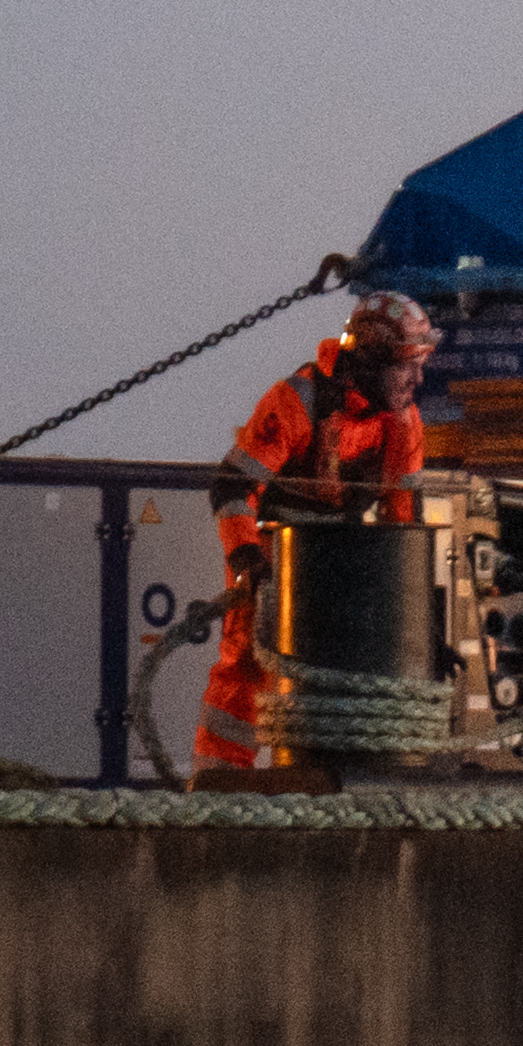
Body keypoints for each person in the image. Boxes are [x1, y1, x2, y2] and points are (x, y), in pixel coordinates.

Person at [205, 291, 441, 780]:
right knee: (248, 665)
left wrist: (424, 623)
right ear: (371, 360)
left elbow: (403, 524)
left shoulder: (403, 422)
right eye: (408, 366)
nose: (418, 380)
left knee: (343, 673)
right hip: (274, 556)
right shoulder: (297, 401)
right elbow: (232, 487)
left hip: (345, 558)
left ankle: (334, 779)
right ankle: (218, 783)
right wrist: (247, 559)